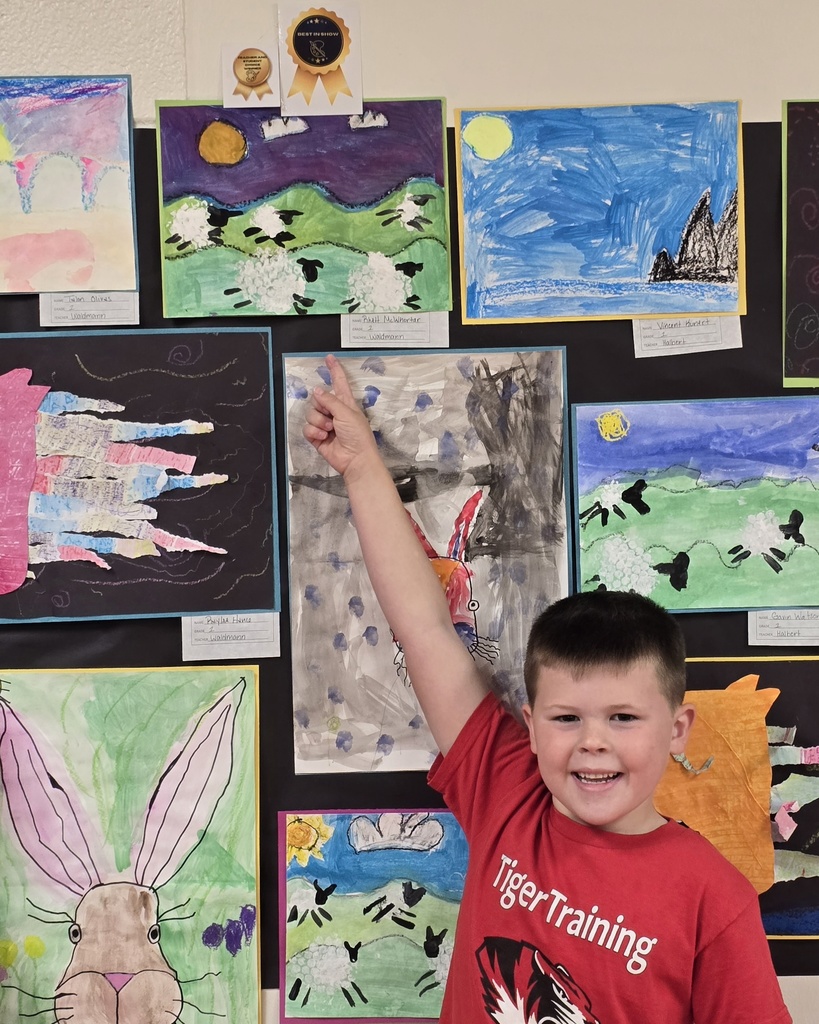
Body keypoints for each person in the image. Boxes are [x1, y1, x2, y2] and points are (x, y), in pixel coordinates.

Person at [303, 353, 792, 1024]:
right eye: (567, 719)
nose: (593, 742)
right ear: (530, 727)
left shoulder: (713, 897)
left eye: (623, 718)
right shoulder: (506, 790)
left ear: (676, 729)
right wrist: (361, 468)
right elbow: (423, 629)